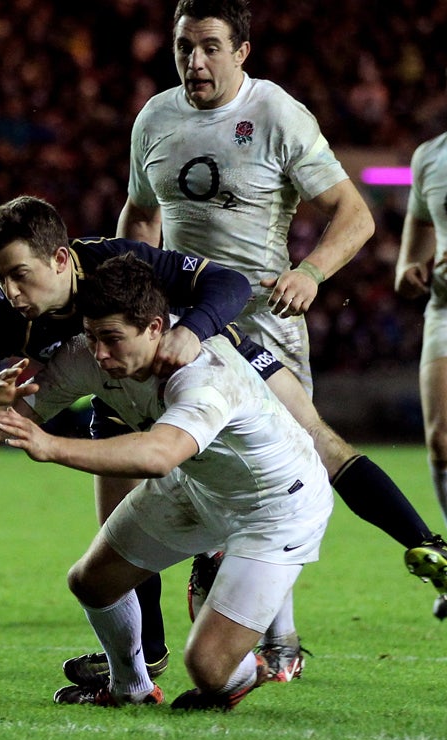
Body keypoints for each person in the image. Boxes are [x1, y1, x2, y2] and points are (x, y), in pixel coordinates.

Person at [0, 194, 447, 695]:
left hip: (212, 361)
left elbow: (229, 284)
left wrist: (193, 328)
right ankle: (146, 655)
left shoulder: (117, 261)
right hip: (114, 388)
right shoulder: (23, 316)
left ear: (60, 259)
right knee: (117, 532)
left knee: (318, 446)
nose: (9, 291)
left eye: (18, 275)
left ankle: (422, 543)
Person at [115, 0, 447, 665]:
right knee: (210, 471)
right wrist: (131, 296)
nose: (195, 61)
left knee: (284, 467)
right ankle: (180, 639)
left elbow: (355, 214)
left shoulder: (277, 115)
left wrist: (313, 272)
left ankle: (280, 632)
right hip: (187, 332)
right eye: (185, 47)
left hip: (266, 323)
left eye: (210, 46)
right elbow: (141, 216)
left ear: (242, 51)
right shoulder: (155, 118)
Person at [0, 254, 334, 711]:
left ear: (155, 328)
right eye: (91, 336)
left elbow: (158, 455)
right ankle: (131, 688)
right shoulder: (89, 353)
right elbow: (2, 420)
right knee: (92, 581)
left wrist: (52, 447)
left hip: (278, 507)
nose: (101, 353)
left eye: (112, 338)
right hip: (203, 487)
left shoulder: (205, 375)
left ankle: (253, 669)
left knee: (208, 669)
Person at [395, 128, 447, 620]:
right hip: (445, 310)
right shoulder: (430, 157)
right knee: (441, 441)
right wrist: (411, 273)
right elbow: (409, 260)